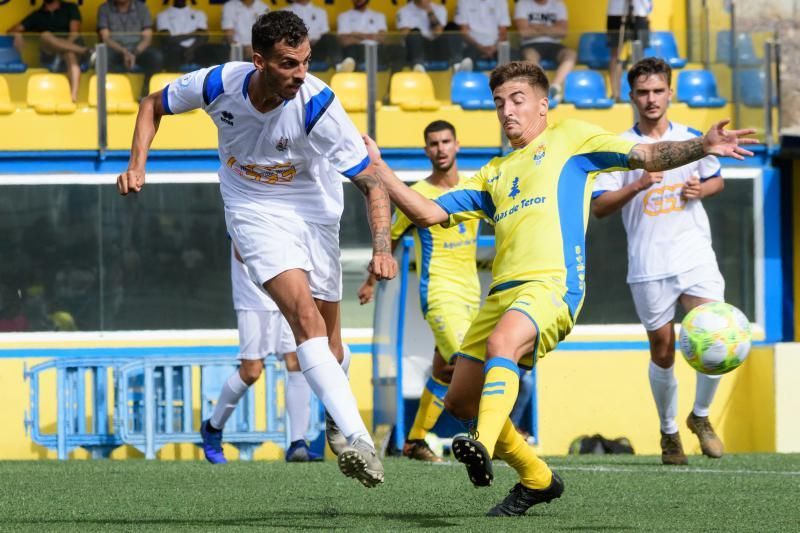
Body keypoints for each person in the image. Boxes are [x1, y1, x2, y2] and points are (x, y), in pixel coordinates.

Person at [363, 61, 756, 515]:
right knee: (460, 398)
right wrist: (382, 170)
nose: (506, 111)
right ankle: (537, 478)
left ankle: (481, 445)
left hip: (553, 284)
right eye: (497, 103)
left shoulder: (572, 140)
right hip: (501, 296)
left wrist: (701, 146)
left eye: (516, 100)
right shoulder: (494, 172)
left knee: (501, 345)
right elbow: (427, 212)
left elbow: (647, 156)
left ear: (543, 105)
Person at [117, 11, 397, 488]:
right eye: (289, 64)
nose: (300, 74)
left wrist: (382, 248)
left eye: (306, 62)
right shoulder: (217, 84)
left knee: (331, 346)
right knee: (302, 318)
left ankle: (336, 409)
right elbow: (151, 104)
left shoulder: (319, 105)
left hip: (315, 214)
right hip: (252, 209)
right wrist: (136, 165)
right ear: (259, 61)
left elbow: (373, 184)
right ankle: (359, 439)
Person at [592, 58, 728, 466]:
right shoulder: (620, 148)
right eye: (643, 92)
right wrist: (637, 184)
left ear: (671, 93)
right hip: (649, 264)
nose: (651, 99)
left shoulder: (691, 138)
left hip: (694, 254)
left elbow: (716, 178)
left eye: (658, 91)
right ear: (630, 96)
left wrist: (700, 190)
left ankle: (700, 417)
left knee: (716, 334)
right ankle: (669, 431)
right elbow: (599, 208)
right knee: (664, 352)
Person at [358, 120, 480, 462]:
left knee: (444, 370)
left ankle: (414, 442)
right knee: (469, 362)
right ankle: (496, 435)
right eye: (433, 143)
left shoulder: (474, 188)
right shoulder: (417, 194)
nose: (440, 149)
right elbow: (391, 238)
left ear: (457, 145)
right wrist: (370, 281)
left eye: (446, 142)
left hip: (472, 296)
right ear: (426, 150)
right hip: (439, 294)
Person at [202, 244, 323, 464]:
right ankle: (212, 428)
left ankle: (298, 443)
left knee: (296, 361)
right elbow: (242, 250)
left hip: (290, 294)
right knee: (251, 371)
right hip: (253, 298)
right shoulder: (241, 209)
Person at [6, 0, 91, 102]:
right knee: (45, 35)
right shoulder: (37, 15)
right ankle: (86, 51)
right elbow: (11, 30)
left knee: (70, 54)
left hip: (70, 48)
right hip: (51, 53)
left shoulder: (70, 7)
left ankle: (73, 97)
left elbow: (75, 33)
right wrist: (17, 34)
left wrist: (63, 46)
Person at [513, 0, 575, 103]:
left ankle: (555, 86)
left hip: (554, 45)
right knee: (530, 56)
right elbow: (524, 32)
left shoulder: (558, 4)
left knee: (570, 54)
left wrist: (536, 27)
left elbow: (563, 32)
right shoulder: (522, 3)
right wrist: (552, 29)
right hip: (530, 44)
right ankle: (543, 87)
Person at [97, 0, 163, 93]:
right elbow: (105, 38)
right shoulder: (104, 8)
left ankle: (146, 92)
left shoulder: (142, 8)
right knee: (104, 57)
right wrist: (124, 51)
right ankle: (113, 92)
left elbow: (148, 38)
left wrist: (134, 52)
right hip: (115, 49)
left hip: (138, 49)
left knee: (156, 57)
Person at [395, 0, 467, 73]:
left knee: (452, 27)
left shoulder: (440, 9)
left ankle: (457, 65)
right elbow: (405, 34)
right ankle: (418, 66)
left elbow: (438, 32)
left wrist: (429, 11)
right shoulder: (403, 11)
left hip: (437, 47)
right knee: (414, 33)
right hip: (418, 49)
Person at [156, 0, 228, 71]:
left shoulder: (199, 13)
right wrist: (193, 33)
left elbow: (204, 36)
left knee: (218, 49)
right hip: (175, 50)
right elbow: (167, 39)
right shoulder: (163, 15)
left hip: (196, 48)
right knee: (172, 50)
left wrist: (191, 49)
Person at [336, 0, 404, 73]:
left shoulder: (379, 16)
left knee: (399, 49)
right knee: (351, 50)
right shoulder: (343, 16)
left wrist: (355, 35)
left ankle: (393, 81)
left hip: (377, 51)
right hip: (357, 50)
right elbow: (345, 41)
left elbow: (383, 38)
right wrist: (368, 36)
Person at [607, 0, 652, 100]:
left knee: (640, 54)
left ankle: (642, 92)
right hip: (616, 12)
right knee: (616, 54)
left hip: (640, 11)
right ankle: (615, 94)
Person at [283, 0, 342, 70]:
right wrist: (304, 41)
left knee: (329, 37)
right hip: (296, 47)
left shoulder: (321, 12)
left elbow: (324, 32)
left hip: (316, 46)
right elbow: (284, 33)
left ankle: (339, 66)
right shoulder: (285, 11)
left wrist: (313, 39)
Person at [454, 0, 510, 66]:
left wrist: (494, 48)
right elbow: (464, 31)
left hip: (496, 47)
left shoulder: (501, 1)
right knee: (465, 62)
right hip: (471, 46)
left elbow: (503, 31)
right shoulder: (463, 1)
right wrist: (479, 47)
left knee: (512, 64)